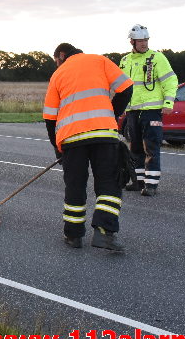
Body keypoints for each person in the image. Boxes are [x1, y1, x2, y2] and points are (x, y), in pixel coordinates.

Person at [43, 43, 134, 251]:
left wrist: (57, 149)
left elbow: (49, 118)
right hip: (103, 134)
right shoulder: (100, 60)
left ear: (62, 55)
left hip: (72, 139)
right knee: (110, 184)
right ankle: (104, 233)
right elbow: (127, 87)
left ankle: (73, 236)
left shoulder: (58, 74)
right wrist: (112, 113)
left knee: (75, 186)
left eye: (56, 60)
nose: (56, 64)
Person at [119, 25, 178, 196]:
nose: (144, 43)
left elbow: (170, 80)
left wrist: (168, 102)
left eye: (146, 40)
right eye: (140, 41)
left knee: (151, 147)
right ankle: (138, 182)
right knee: (135, 147)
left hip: (152, 110)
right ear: (132, 41)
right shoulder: (124, 60)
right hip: (132, 111)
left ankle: (151, 185)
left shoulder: (157, 58)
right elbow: (120, 86)